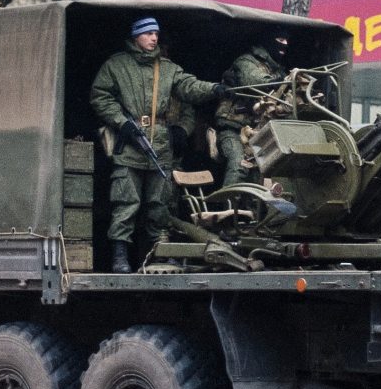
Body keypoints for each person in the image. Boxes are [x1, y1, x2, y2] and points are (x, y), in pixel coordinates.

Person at [90, 15, 224, 273]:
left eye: (156, 34)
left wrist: (214, 89)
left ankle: (162, 254)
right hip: (129, 145)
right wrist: (122, 123)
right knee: (126, 202)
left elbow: (189, 87)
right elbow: (100, 96)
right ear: (136, 36)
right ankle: (120, 257)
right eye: (148, 33)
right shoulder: (116, 65)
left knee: (160, 204)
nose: (154, 38)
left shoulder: (168, 68)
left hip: (160, 147)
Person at [214, 34, 289, 188]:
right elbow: (255, 81)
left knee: (261, 173)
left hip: (258, 133)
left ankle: (252, 211)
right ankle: (229, 209)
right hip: (232, 129)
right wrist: (278, 83)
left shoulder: (278, 70)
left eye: (287, 41)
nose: (285, 44)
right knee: (238, 165)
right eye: (280, 40)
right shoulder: (246, 61)